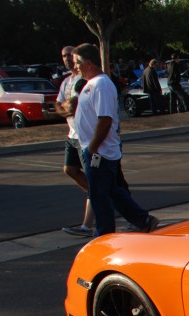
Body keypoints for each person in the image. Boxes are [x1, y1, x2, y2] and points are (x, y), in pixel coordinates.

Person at [68, 43, 157, 238]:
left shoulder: (101, 84)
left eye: (77, 63)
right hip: (95, 150)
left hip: (100, 152)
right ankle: (142, 220)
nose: (75, 67)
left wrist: (92, 149)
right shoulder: (91, 84)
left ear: (88, 62)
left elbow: (105, 119)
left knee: (100, 196)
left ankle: (104, 235)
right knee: (111, 191)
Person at [56, 45, 96, 237]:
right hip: (71, 135)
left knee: (100, 182)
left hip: (85, 137)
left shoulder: (85, 80)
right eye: (64, 56)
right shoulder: (66, 82)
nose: (67, 59)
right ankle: (97, 195)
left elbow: (74, 105)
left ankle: (87, 225)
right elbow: (60, 106)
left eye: (71, 56)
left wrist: (68, 107)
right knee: (69, 169)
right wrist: (65, 108)